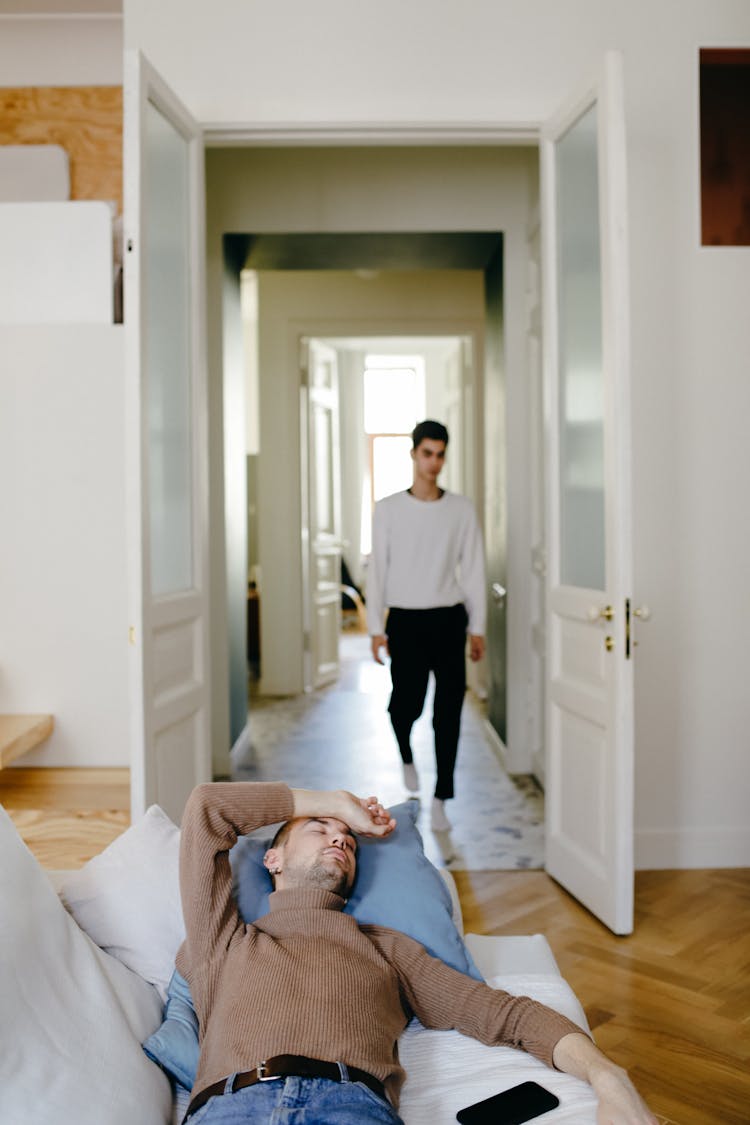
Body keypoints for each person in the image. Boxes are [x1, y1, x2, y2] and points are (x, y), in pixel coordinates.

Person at [176, 780, 658, 1125]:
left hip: (350, 1107)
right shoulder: (223, 938)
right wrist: (337, 802)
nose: (342, 837)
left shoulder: (386, 947)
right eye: (319, 828)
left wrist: (609, 1078)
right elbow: (207, 808)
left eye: (348, 838)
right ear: (272, 859)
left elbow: (505, 1016)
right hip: (231, 1106)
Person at [366, 419, 486, 830]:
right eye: (426, 453)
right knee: (406, 705)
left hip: (449, 619)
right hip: (405, 622)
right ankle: (405, 754)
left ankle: (441, 797)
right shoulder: (388, 509)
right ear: (414, 454)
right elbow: (377, 572)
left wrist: (478, 627)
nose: (433, 462)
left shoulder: (461, 509)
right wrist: (374, 628)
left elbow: (473, 570)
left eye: (440, 454)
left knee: (448, 712)